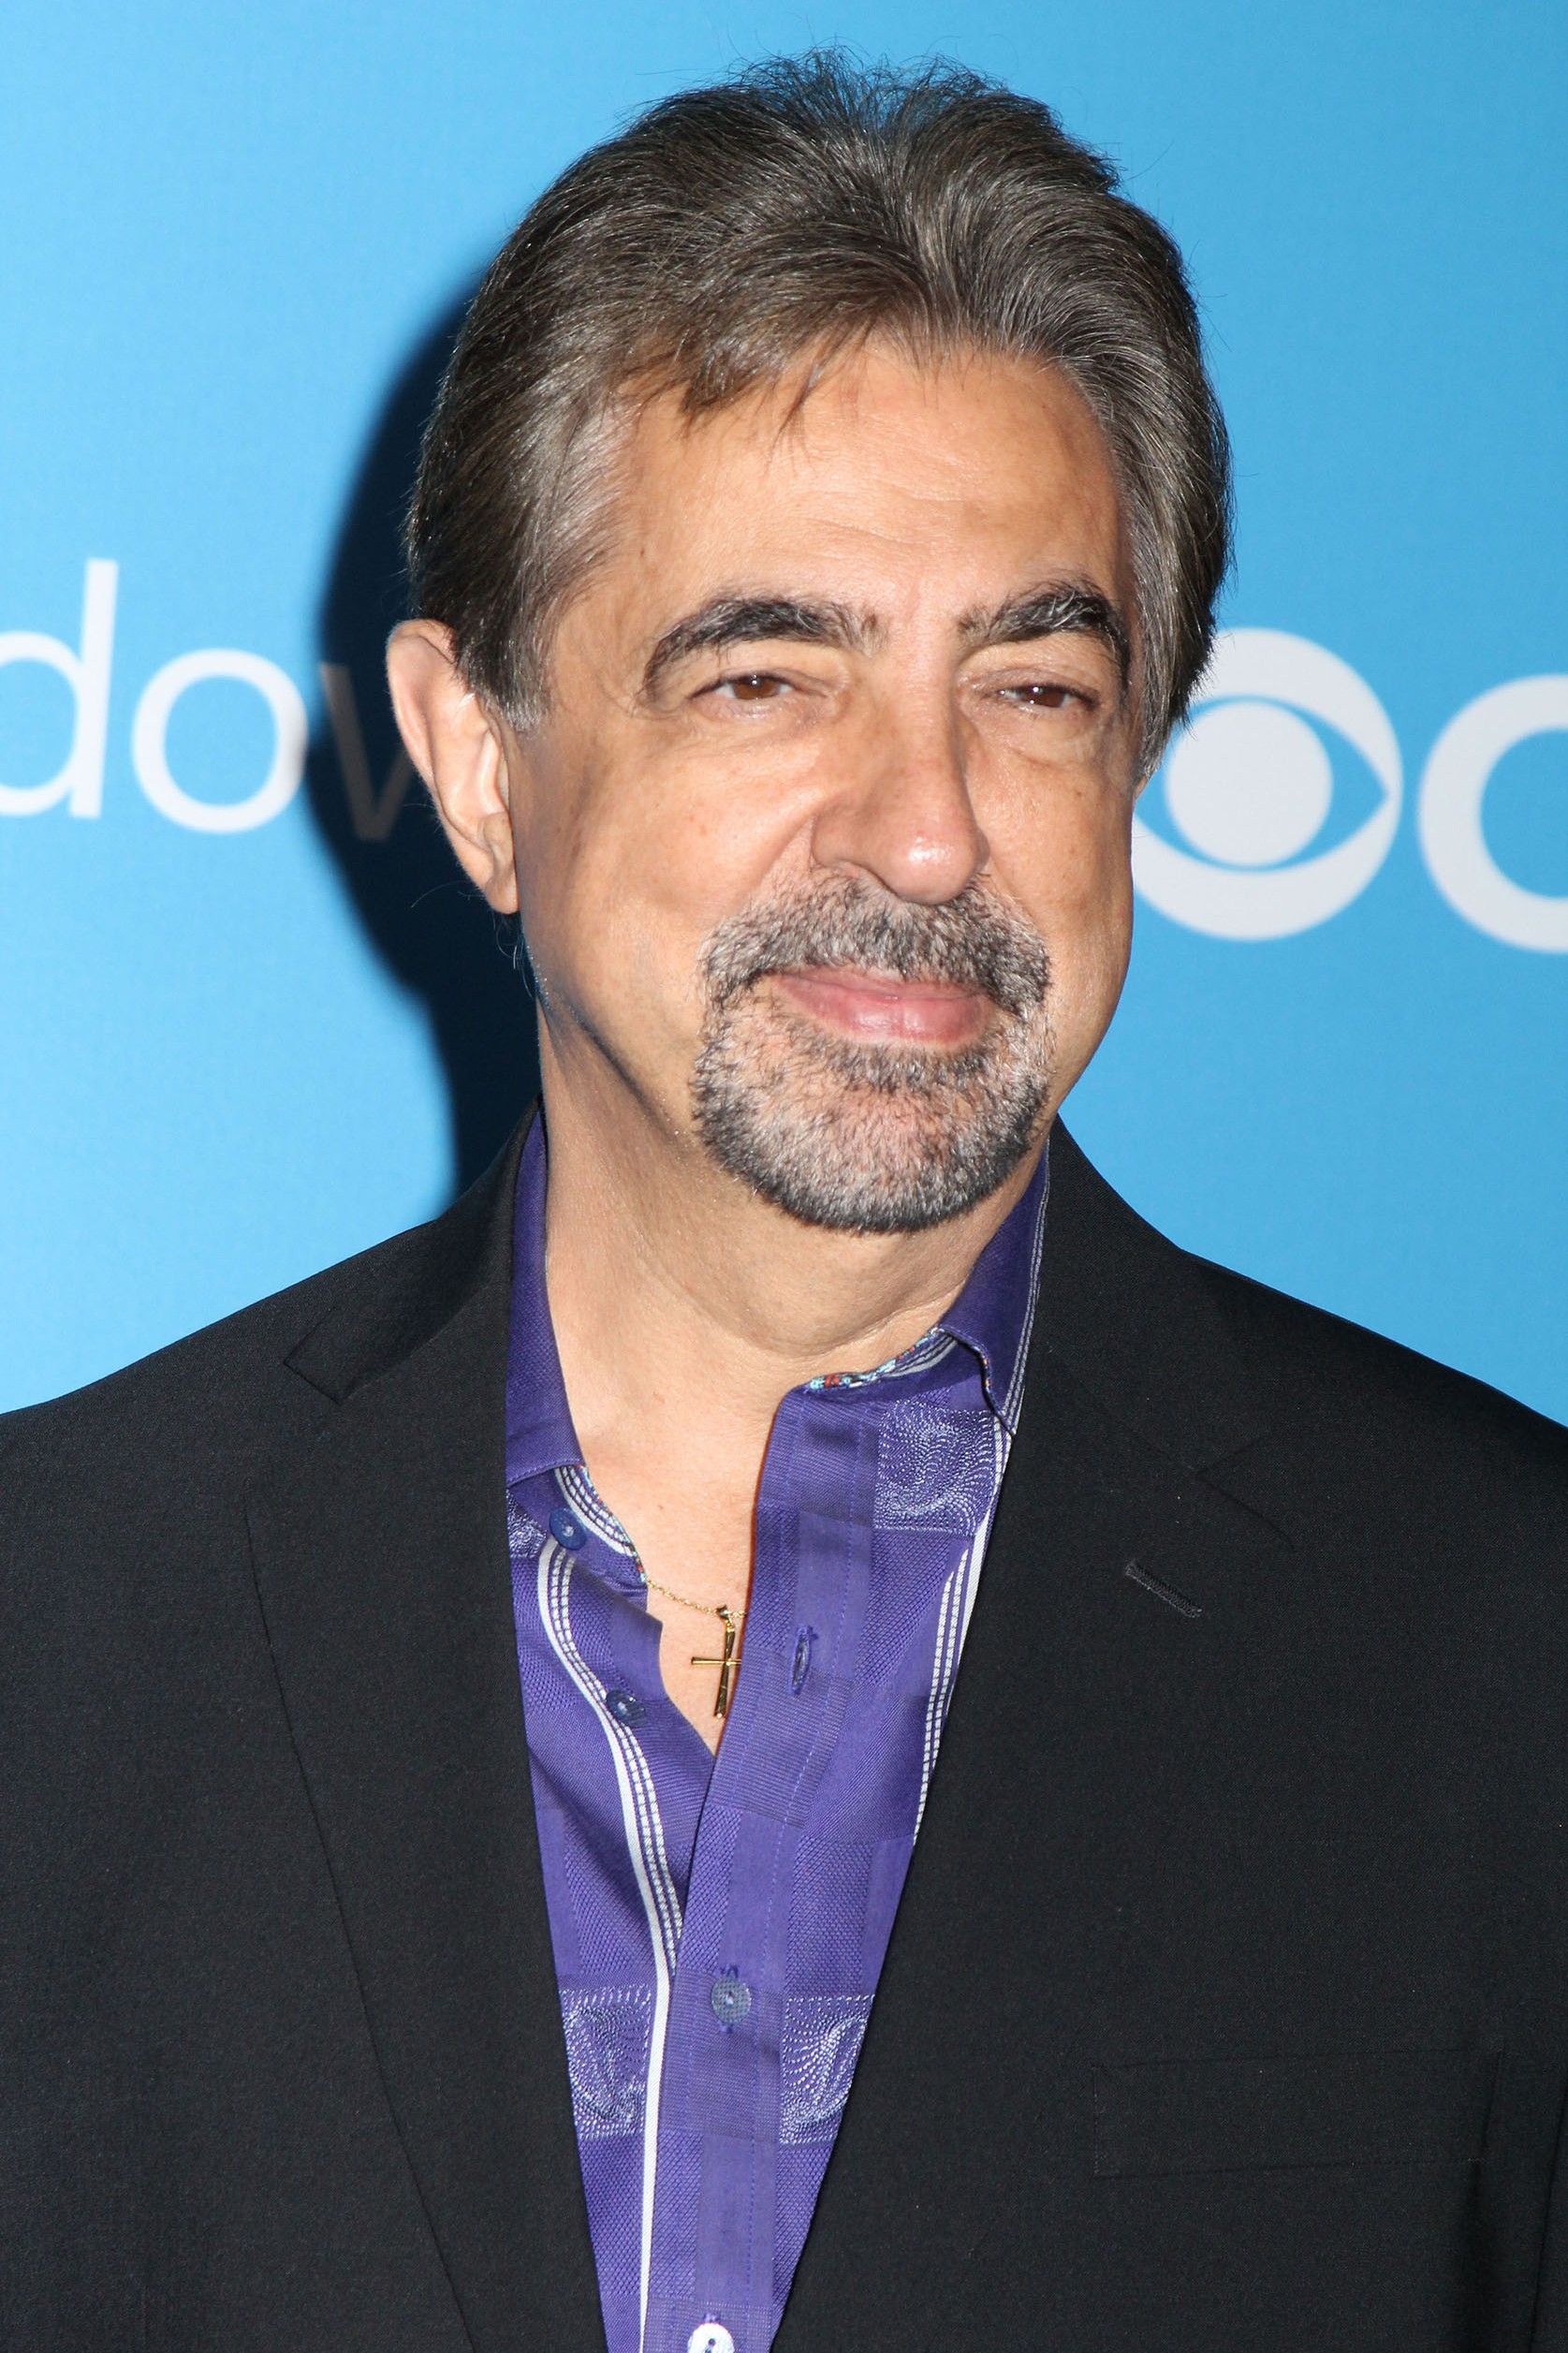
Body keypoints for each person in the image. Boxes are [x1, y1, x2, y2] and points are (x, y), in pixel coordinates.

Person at [3, 51, 1565, 2353]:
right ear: (479, 768)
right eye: (764, 676)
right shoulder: (58, 1629)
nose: (927, 827)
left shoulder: (1500, 1648)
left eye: (1034, 685)